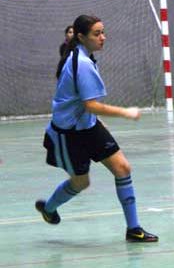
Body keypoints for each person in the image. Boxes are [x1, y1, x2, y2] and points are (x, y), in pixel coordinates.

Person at [36, 14, 158, 243]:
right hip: (69, 134)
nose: (103, 37)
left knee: (122, 168)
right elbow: (91, 104)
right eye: (97, 34)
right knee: (81, 183)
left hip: (88, 125)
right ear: (81, 37)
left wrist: (95, 120)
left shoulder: (85, 56)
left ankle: (134, 229)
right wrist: (126, 112)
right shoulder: (81, 63)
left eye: (103, 32)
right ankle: (49, 208)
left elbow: (86, 106)